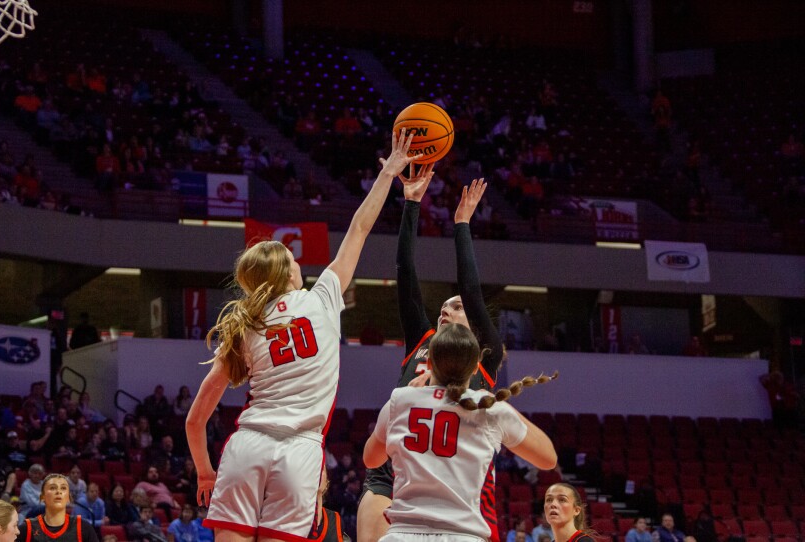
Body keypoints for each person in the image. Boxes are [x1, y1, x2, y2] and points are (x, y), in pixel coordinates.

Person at [186, 128, 418, 541]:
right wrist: (388, 176)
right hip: (299, 451)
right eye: (293, 259)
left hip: (248, 446)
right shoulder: (321, 297)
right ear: (286, 272)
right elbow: (359, 230)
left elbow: (195, 418)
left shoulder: (242, 324)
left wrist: (205, 470)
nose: (299, 263)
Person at [358, 175, 506, 542]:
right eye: (442, 307)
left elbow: (471, 290)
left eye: (454, 308)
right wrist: (411, 205)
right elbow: (405, 274)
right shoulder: (422, 340)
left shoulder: (486, 356)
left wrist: (462, 225)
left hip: (450, 483)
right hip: (392, 476)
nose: (444, 311)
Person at [363, 323, 558, 542]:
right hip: (463, 535)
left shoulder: (400, 399)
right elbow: (548, 458)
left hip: (403, 534)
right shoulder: (487, 408)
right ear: (476, 367)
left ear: (428, 363)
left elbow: (371, 460)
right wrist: (498, 403)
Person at [16, 473, 98, 542]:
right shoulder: (27, 528)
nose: (58, 492)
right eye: (52, 488)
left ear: (69, 498)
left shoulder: (83, 527)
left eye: (63, 488)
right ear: (42, 497)